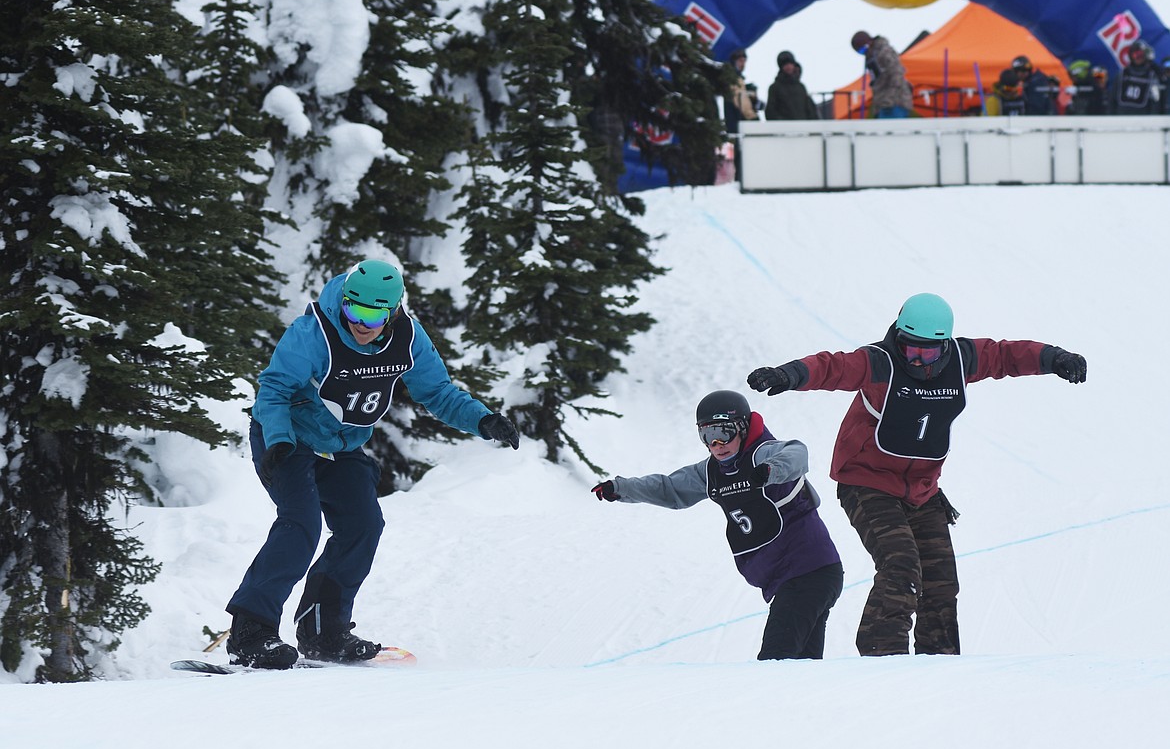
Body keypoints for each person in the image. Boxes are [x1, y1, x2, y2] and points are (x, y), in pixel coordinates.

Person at [745, 293, 1087, 658]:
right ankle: (882, 657)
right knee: (901, 565)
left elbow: (1006, 355)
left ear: (945, 345)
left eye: (928, 352)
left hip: (922, 490)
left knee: (941, 582)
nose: (917, 359)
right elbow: (833, 367)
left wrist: (1055, 358)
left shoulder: (962, 359)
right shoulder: (881, 363)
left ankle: (937, 664)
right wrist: (789, 374)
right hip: (866, 482)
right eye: (909, 349)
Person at [226, 259, 520, 668]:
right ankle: (251, 632)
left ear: (394, 310)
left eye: (372, 314)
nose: (360, 323)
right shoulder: (313, 334)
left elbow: (436, 392)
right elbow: (273, 390)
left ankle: (323, 631)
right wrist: (276, 439)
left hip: (342, 444)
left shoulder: (408, 338)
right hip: (287, 438)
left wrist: (484, 420)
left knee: (363, 525)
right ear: (344, 301)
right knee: (301, 524)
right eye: (353, 310)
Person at [591, 390, 843, 661]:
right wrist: (621, 488)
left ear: (743, 428)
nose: (717, 444)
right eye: (707, 436)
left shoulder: (763, 454)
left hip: (808, 572)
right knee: (801, 667)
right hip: (794, 578)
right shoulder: (711, 472)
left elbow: (796, 453)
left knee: (775, 663)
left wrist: (772, 471)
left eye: (724, 432)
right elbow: (670, 488)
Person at [850, 31, 913, 119]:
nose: (863, 53)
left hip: (893, 103)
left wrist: (889, 98)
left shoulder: (883, 51)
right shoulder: (872, 56)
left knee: (893, 129)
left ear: (869, 42)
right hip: (883, 103)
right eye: (860, 52)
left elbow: (896, 72)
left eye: (863, 49)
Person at [723, 48, 759, 181]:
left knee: (744, 155)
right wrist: (754, 117)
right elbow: (741, 103)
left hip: (739, 122)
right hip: (741, 123)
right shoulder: (733, 79)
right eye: (740, 60)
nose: (743, 64)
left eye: (744, 60)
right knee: (743, 155)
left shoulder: (738, 79)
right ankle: (743, 181)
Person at [764, 50, 819, 121]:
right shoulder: (774, 88)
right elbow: (770, 111)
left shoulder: (801, 87)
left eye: (790, 63)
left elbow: (810, 110)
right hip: (783, 129)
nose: (788, 66)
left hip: (804, 128)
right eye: (785, 64)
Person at [1114, 40, 1162, 114]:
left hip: (1143, 116)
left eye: (1141, 55)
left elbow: (1156, 99)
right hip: (1122, 115)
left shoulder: (1152, 75)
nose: (1138, 58)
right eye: (1136, 55)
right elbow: (1113, 97)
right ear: (1131, 56)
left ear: (1146, 56)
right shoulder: (1123, 74)